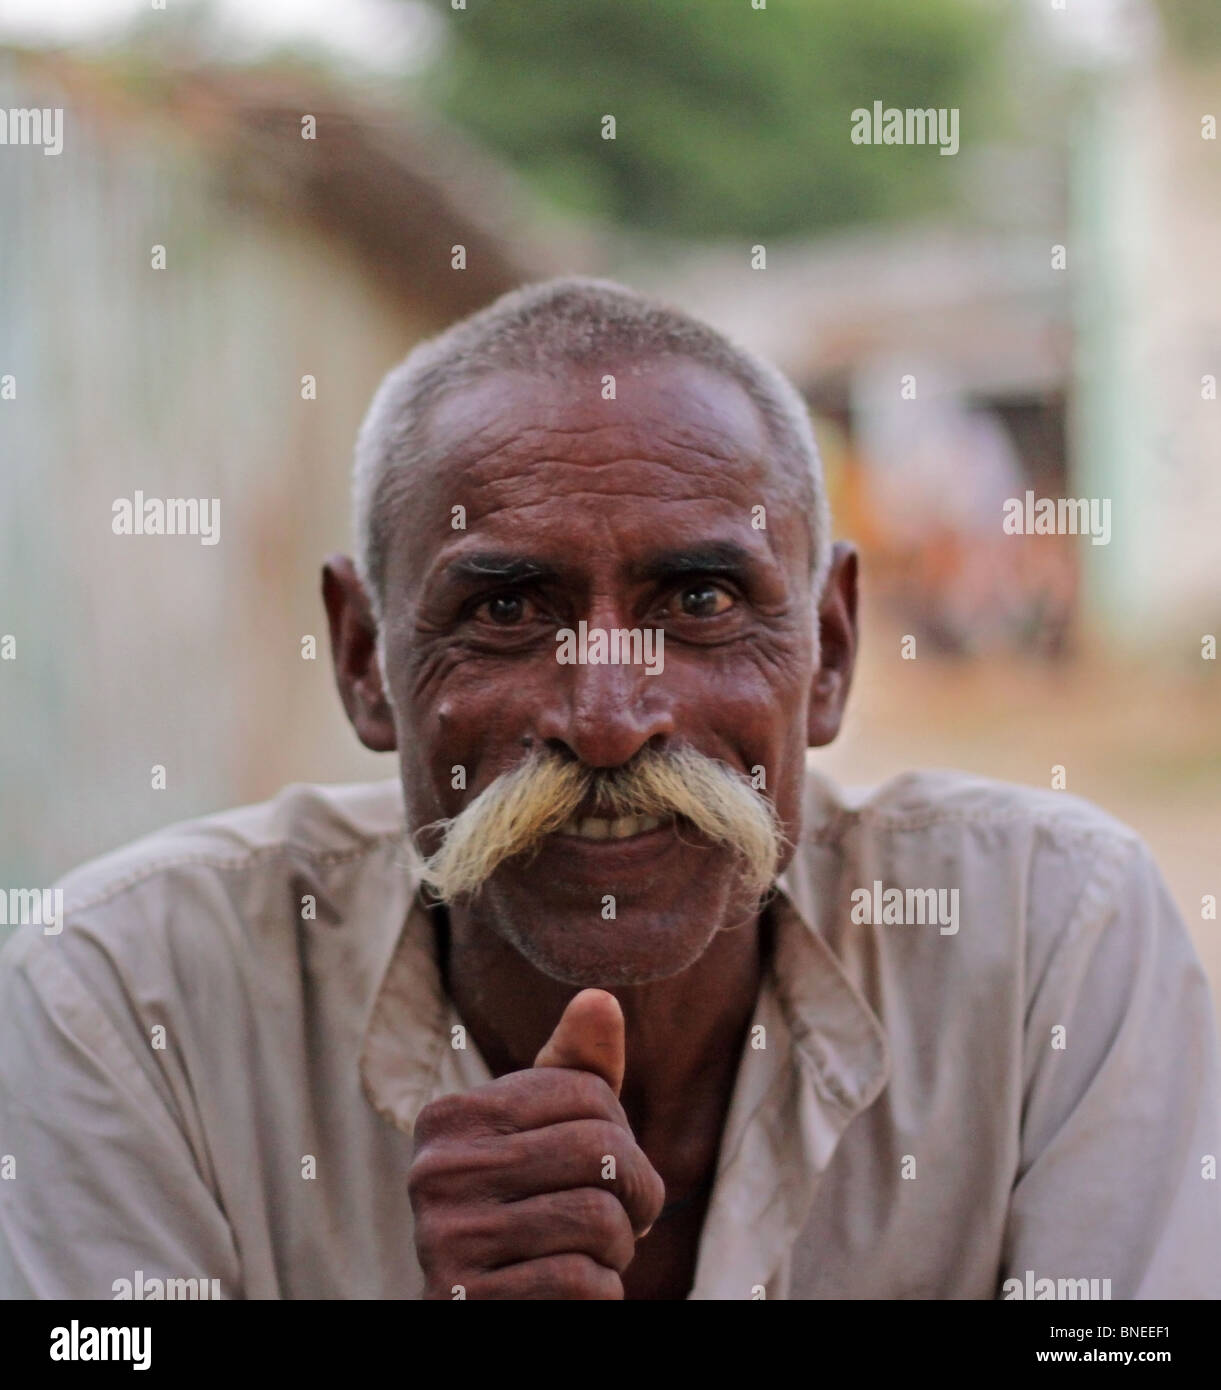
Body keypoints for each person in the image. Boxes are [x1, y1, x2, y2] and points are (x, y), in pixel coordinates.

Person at [1, 277, 1217, 1300]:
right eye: (508, 608)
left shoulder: (1051, 940)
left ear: (832, 651)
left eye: (699, 602)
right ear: (366, 660)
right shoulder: (126, 1004)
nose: (606, 721)